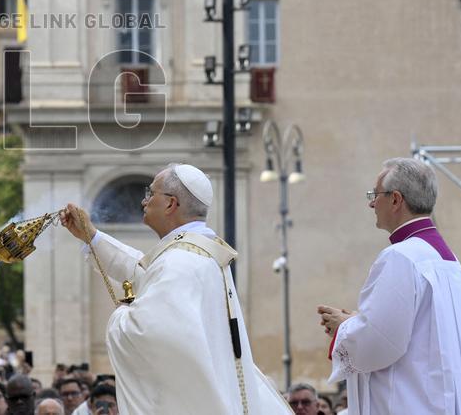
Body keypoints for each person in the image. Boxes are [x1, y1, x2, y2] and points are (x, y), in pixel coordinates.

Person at [60, 163, 290, 415]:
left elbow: (148, 331)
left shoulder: (180, 261)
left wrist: (122, 314)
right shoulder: (193, 253)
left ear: (171, 204)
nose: (144, 201)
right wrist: (92, 237)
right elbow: (144, 273)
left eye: (151, 193)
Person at [317, 158, 461, 414]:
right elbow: (416, 331)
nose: (372, 203)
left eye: (376, 195)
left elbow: (378, 344)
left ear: (396, 200)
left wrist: (344, 327)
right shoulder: (451, 264)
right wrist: (359, 319)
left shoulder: (401, 257)